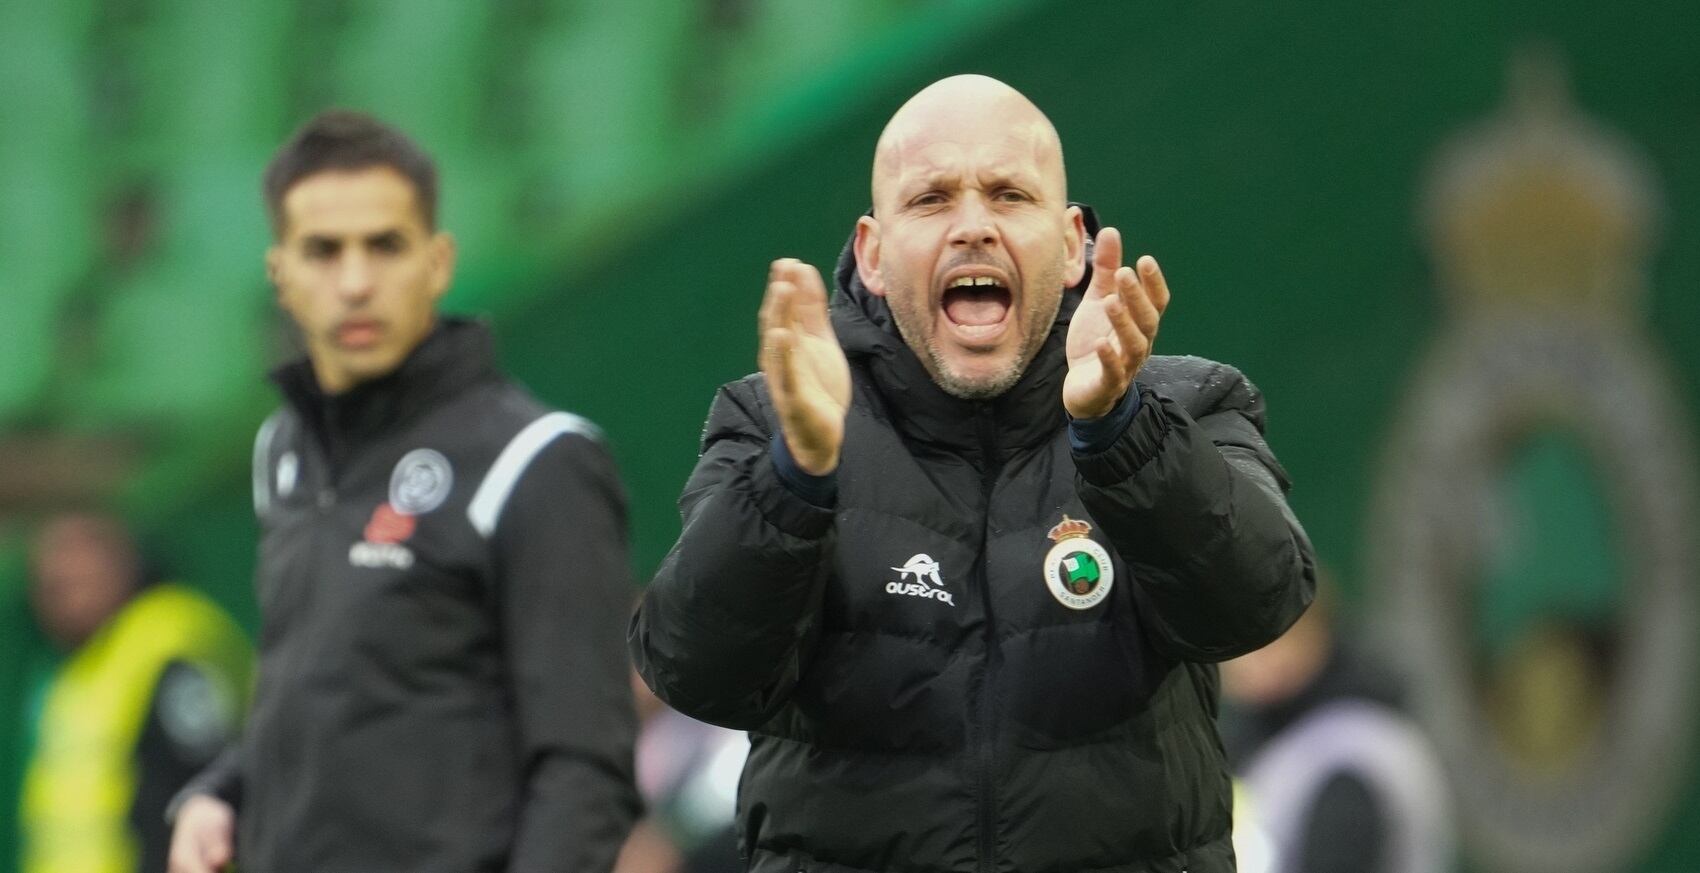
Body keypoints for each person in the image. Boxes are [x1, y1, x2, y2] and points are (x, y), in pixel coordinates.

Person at [630, 74, 1317, 873]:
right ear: (874, 254)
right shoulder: (773, 423)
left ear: (1070, 246)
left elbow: (1259, 602)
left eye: (1007, 194)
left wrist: (1121, 433)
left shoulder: (1188, 407)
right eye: (930, 199)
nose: (973, 227)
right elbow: (693, 667)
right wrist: (795, 477)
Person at [167, 110, 641, 873]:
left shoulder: (535, 458)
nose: (355, 282)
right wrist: (223, 790)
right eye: (323, 251)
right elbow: (328, 688)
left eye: (384, 245)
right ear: (280, 272)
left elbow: (586, 768)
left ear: (438, 262)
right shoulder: (281, 451)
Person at [19, 511, 251, 873]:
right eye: (53, 585)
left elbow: (200, 787)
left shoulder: (168, 639)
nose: (65, 594)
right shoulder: (76, 667)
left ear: (124, 564)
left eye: (80, 576)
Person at [1220, 578, 1453, 873]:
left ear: (1319, 634)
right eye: (1238, 642)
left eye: (1275, 639)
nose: (1253, 659)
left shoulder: (1351, 749)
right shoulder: (1264, 737)